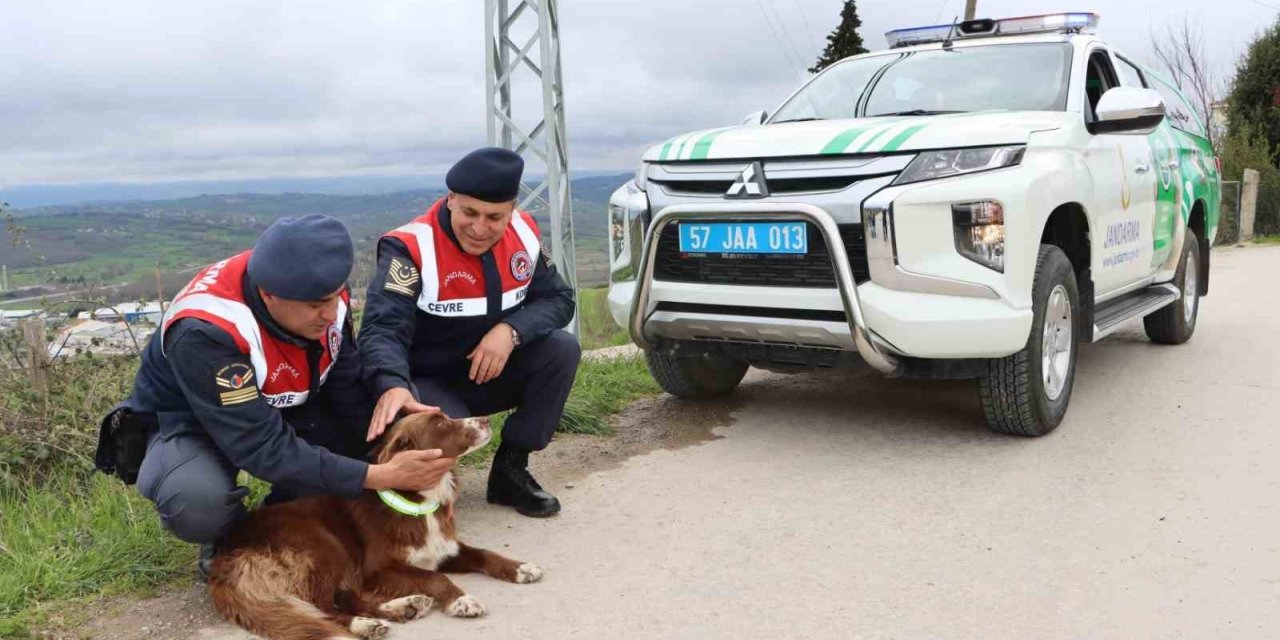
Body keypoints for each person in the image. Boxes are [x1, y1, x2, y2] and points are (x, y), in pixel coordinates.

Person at [123, 215, 454, 575]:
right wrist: (377, 476)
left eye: (334, 298)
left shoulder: (317, 290)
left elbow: (344, 383)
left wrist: (387, 431)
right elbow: (261, 447)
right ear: (269, 295)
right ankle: (232, 538)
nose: (330, 314)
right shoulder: (205, 331)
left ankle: (289, 511)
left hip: (291, 401)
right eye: (316, 306)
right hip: (195, 422)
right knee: (197, 501)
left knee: (381, 436)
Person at [360, 147, 579, 518]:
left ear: (511, 210)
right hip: (426, 384)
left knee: (561, 349)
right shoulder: (410, 247)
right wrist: (391, 383)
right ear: (450, 201)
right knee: (441, 428)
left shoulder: (523, 232)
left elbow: (559, 298)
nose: (480, 228)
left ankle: (511, 470)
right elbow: (382, 330)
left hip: (490, 372)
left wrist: (511, 330)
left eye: (495, 217)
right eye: (469, 212)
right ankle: (414, 496)